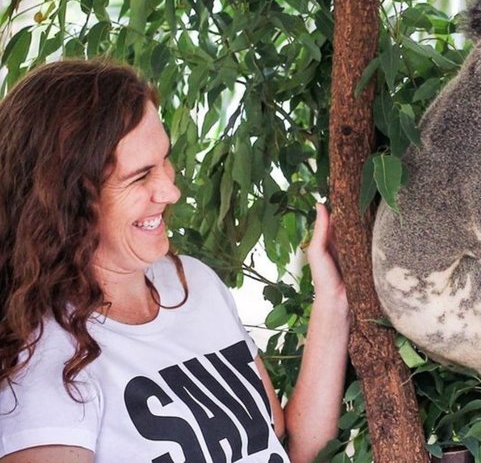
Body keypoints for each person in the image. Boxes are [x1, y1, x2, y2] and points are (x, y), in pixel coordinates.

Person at [0, 59, 350, 463]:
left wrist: (333, 298)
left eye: (164, 159)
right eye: (140, 176)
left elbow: (288, 447)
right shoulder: (43, 362)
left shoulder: (193, 284)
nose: (170, 191)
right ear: (69, 200)